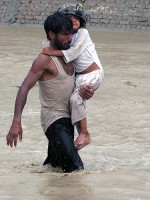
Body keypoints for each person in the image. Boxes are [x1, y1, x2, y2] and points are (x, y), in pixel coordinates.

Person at [6, 12, 94, 173]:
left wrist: (87, 93)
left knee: (54, 169)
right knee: (76, 169)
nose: (69, 39)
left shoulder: (70, 56)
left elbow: (75, 88)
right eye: (65, 35)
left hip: (68, 120)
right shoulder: (44, 59)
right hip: (53, 120)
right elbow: (24, 87)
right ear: (51, 35)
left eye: (71, 34)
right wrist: (16, 121)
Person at [42, 3, 104, 150]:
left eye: (77, 18)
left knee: (76, 99)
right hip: (79, 77)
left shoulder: (83, 33)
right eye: (70, 18)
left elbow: (73, 53)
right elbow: (48, 44)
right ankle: (78, 134)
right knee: (73, 103)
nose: (75, 20)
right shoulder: (67, 36)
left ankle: (84, 133)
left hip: (92, 74)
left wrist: (52, 52)